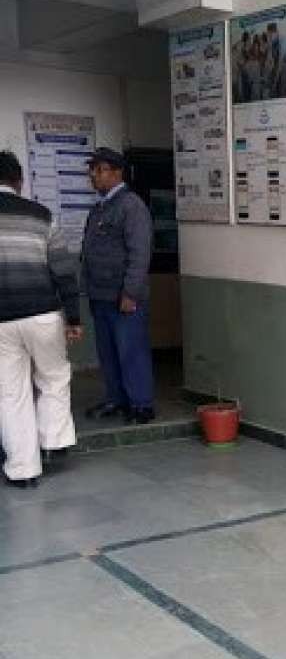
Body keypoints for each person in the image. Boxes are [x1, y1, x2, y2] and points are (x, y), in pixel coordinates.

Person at [0, 149, 82, 488]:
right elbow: (63, 270)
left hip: (1, 323)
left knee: (11, 394)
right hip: (43, 314)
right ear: (19, 181)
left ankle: (23, 470)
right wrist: (74, 317)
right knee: (54, 375)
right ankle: (53, 441)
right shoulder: (41, 216)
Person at [82, 147, 155, 423]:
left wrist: (130, 293)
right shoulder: (99, 208)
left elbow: (140, 253)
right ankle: (116, 399)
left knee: (130, 351)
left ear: (117, 173)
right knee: (108, 353)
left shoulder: (131, 206)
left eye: (100, 170)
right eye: (92, 170)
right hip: (100, 295)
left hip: (123, 296)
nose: (93, 175)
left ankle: (141, 404)